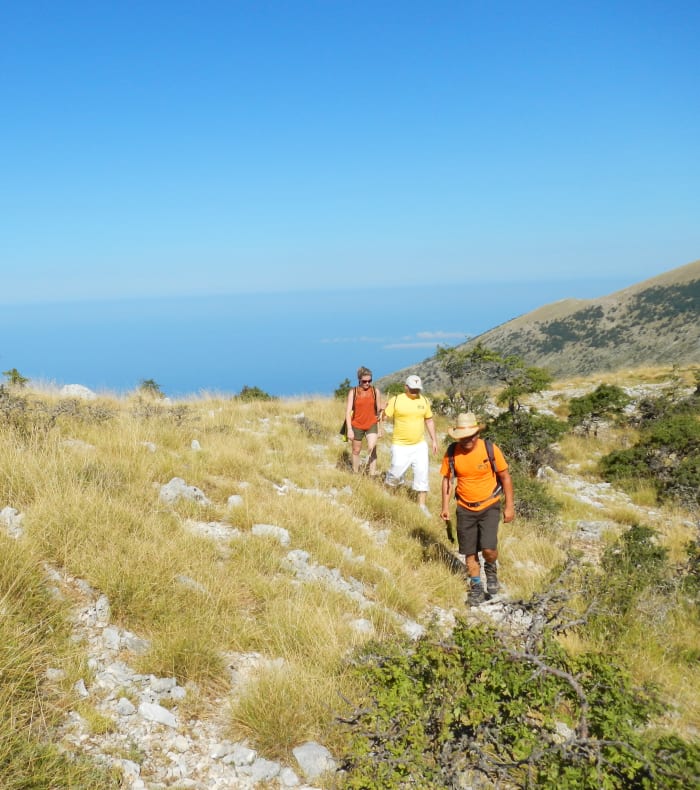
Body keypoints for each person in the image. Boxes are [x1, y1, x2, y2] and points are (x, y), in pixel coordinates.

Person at [439, 413, 515, 606]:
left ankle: (490, 567)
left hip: (489, 506)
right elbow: (447, 480)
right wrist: (445, 506)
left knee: (489, 549)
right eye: (463, 438)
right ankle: (476, 587)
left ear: (477, 434)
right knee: (469, 552)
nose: (467, 441)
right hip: (464, 508)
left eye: (471, 436)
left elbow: (505, 477)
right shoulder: (452, 452)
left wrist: (509, 506)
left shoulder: (490, 449)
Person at [382, 374, 438, 516]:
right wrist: (381, 411)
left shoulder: (424, 400)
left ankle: (422, 506)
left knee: (422, 474)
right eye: (412, 389)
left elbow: (429, 420)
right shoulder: (396, 400)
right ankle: (388, 496)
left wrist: (434, 440)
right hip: (400, 445)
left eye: (417, 389)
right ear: (405, 387)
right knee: (395, 473)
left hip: (419, 445)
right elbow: (384, 417)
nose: (415, 391)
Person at [345, 367, 383, 475]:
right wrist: (349, 430)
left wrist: (380, 427)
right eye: (364, 381)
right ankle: (355, 473)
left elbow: (379, 411)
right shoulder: (353, 392)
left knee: (372, 448)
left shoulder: (375, 391)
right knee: (356, 450)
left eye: (369, 381)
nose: (367, 383)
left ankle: (372, 474)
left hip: (372, 424)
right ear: (359, 380)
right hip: (357, 424)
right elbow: (348, 412)